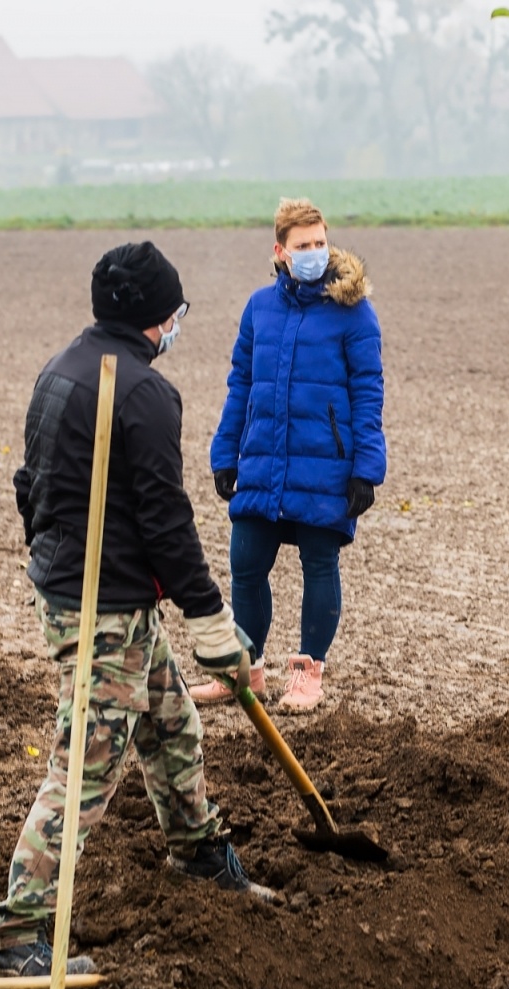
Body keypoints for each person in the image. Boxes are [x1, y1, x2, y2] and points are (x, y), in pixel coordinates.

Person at [0, 241, 271, 979]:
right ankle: (17, 937)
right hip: (101, 608)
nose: (178, 323)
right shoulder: (141, 394)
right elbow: (166, 521)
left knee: (172, 724)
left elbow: (28, 486)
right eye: (175, 312)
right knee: (84, 768)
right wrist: (213, 627)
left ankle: (199, 852)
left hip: (91, 594)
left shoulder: (61, 368)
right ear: (155, 318)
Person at [188, 198, 386, 713]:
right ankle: (242, 674)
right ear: (281, 251)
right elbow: (241, 384)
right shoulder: (259, 308)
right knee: (246, 563)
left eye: (320, 243)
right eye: (303, 246)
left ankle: (306, 674)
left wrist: (367, 467)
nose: (315, 252)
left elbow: (369, 390)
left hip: (326, 463)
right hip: (263, 459)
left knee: (321, 564)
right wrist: (224, 451)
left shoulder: (353, 310)